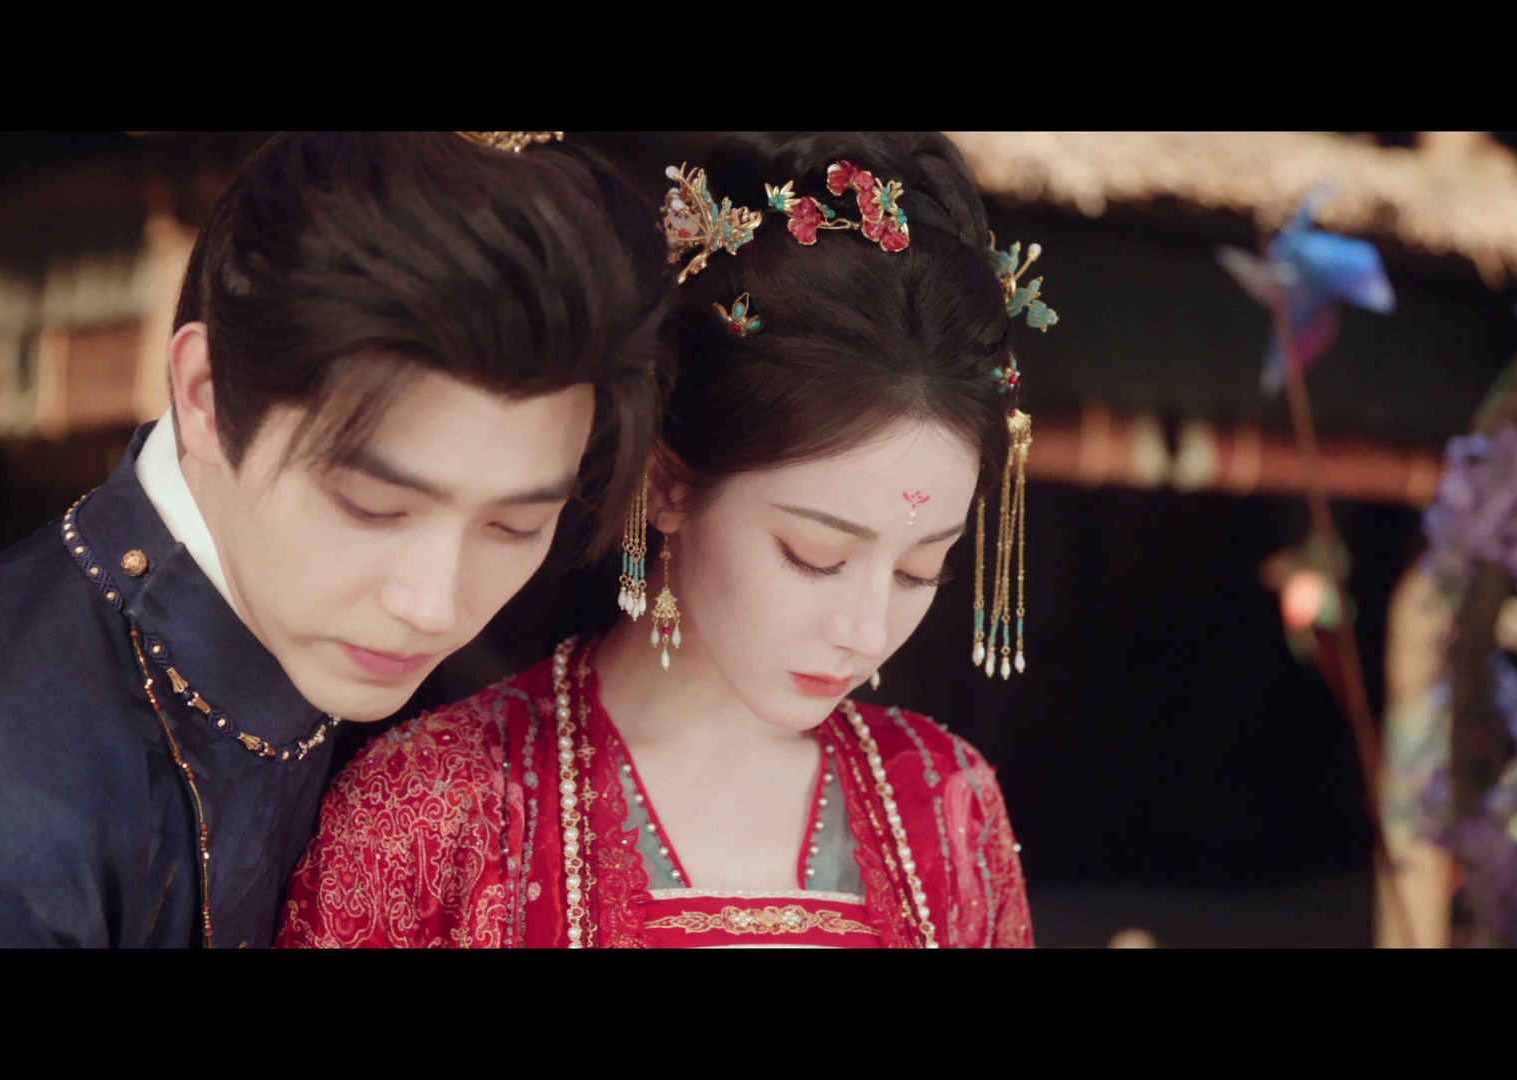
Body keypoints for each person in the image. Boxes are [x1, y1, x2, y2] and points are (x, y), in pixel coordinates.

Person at [0, 132, 669, 947]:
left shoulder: (330, 663)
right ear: (206, 397)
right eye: (373, 507)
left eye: (513, 525)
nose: (435, 604)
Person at [278, 131, 1040, 948]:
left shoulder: (950, 808)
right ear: (669, 481)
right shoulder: (432, 809)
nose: (866, 630)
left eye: (920, 570)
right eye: (815, 558)